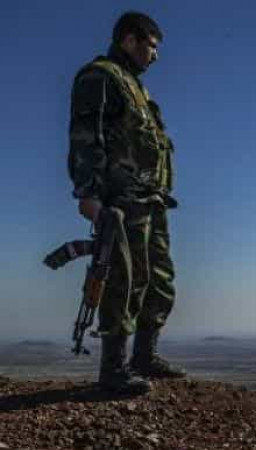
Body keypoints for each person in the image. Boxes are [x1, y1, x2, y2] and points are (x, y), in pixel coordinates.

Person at [68, 12, 186, 394]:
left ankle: (144, 356)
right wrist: (88, 193)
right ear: (129, 40)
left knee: (159, 278)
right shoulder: (100, 77)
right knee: (124, 279)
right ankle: (113, 370)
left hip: (150, 200)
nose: (155, 55)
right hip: (121, 200)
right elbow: (86, 136)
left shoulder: (138, 89)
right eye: (151, 46)